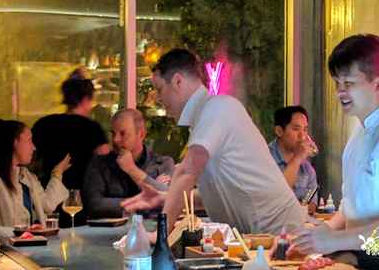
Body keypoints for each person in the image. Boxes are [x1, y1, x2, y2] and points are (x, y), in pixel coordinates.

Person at [121, 48, 307, 236]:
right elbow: (220, 193)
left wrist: (160, 235)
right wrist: (164, 198)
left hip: (284, 235)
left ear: (177, 81)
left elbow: (186, 172)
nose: (159, 99)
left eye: (160, 89)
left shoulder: (217, 108)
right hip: (262, 237)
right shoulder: (206, 117)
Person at [287, 35, 379, 264]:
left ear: (378, 84)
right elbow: (349, 209)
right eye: (337, 83)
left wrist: (335, 242)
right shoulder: (359, 133)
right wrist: (313, 238)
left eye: (349, 84)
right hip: (361, 264)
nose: (340, 92)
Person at [0, 119, 70, 237]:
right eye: (29, 140)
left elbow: (47, 205)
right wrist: (25, 232)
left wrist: (57, 173)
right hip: (7, 247)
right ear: (14, 142)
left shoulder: (26, 175)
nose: (34, 147)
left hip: (30, 244)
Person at [83, 108, 176, 218]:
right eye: (113, 133)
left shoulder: (163, 164)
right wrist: (144, 202)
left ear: (141, 134)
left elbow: (170, 200)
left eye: (123, 134)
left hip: (152, 228)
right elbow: (94, 205)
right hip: (113, 229)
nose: (116, 139)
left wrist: (132, 170)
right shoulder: (99, 164)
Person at [31, 71, 110, 193]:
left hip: (48, 193)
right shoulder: (93, 129)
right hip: (83, 195)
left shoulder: (44, 124)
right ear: (85, 99)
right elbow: (105, 163)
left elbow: (31, 161)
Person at [270, 105, 319, 207]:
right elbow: (276, 198)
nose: (302, 136)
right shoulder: (265, 159)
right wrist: (297, 159)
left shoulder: (307, 168)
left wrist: (310, 206)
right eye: (296, 129)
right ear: (279, 131)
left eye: (305, 129)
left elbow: (312, 203)